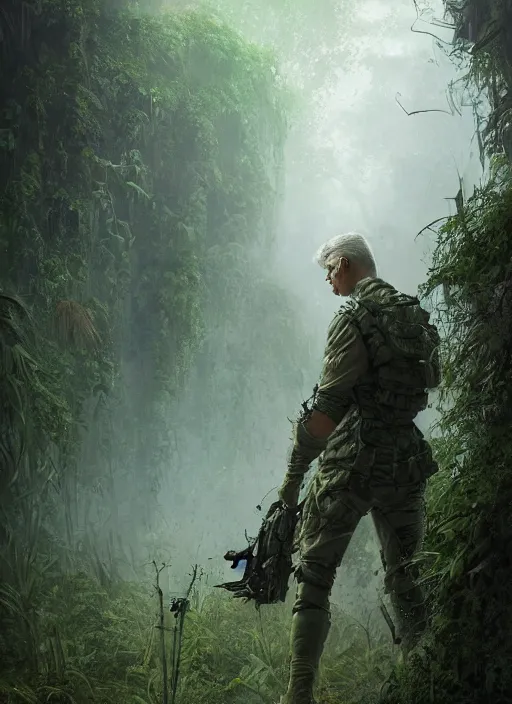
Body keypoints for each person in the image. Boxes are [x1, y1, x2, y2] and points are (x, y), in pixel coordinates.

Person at [277, 232, 441, 704]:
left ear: (346, 264)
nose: (329, 282)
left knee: (314, 575)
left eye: (330, 271)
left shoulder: (352, 317)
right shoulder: (413, 313)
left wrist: (293, 476)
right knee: (408, 578)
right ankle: (421, 684)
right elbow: (434, 377)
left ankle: (298, 694)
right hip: (405, 461)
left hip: (354, 460)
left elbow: (325, 414)